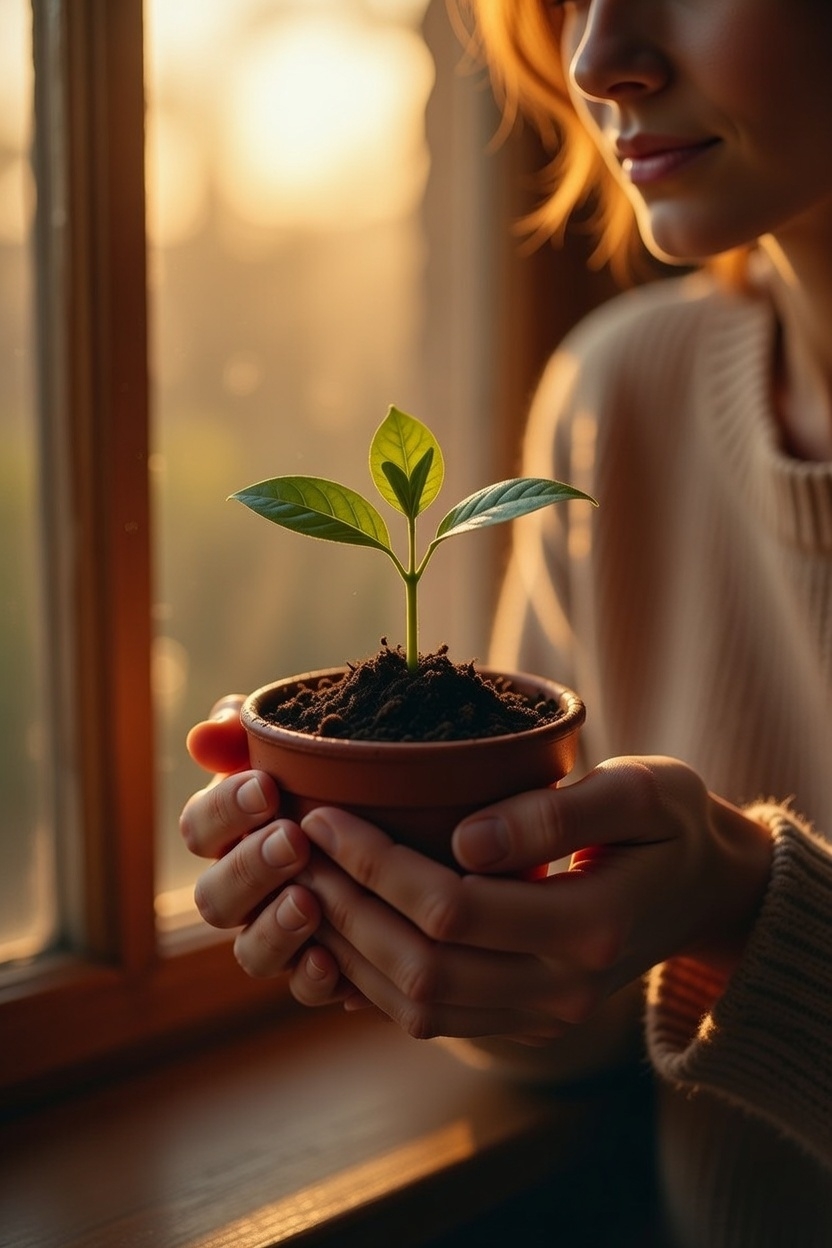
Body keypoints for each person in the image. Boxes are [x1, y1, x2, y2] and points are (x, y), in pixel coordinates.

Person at [179, 1, 832, 1243]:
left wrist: (745, 914)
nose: (595, 59)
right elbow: (580, 1021)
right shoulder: (623, 396)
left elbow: (707, 922)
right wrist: (451, 934)